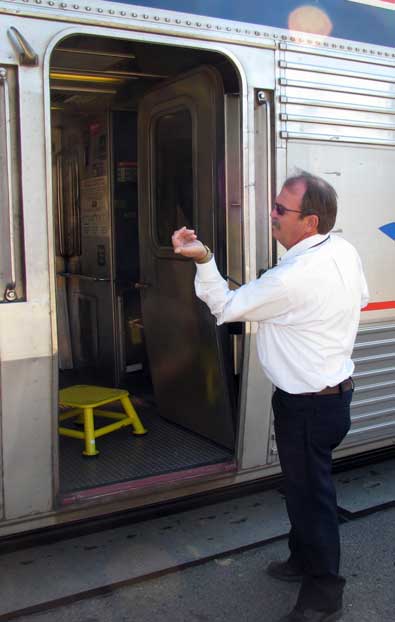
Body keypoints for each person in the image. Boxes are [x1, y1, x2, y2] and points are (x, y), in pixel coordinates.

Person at [171, 172, 369, 622]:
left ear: (311, 221)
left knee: (311, 497)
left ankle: (323, 594)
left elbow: (224, 306)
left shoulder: (289, 278)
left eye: (281, 210)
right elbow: (359, 298)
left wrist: (204, 258)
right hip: (334, 397)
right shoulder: (343, 250)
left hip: (307, 405)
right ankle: (302, 559)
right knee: (304, 489)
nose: (272, 216)